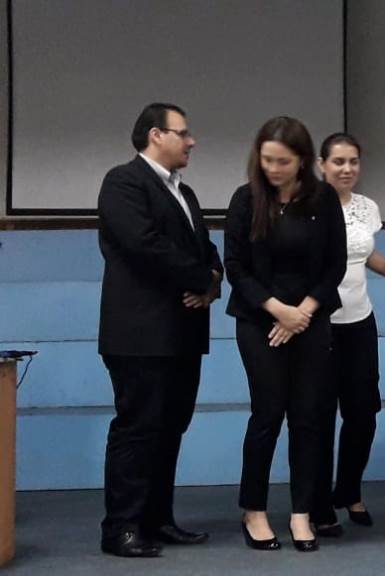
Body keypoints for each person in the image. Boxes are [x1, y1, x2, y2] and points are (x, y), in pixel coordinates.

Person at [97, 102, 223, 558]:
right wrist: (199, 279)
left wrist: (212, 282)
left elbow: (208, 250)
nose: (191, 142)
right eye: (182, 133)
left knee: (171, 428)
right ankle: (122, 528)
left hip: (182, 333)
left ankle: (157, 519)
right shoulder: (123, 182)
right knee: (138, 428)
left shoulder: (184, 194)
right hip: (140, 334)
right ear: (156, 135)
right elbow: (144, 246)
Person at [224, 116, 347, 552]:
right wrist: (278, 311)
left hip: (310, 321)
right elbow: (235, 267)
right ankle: (253, 509)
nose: (273, 168)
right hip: (260, 322)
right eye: (267, 159)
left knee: (309, 416)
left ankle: (301, 512)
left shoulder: (323, 198)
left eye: (283, 161)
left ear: (302, 162)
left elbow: (336, 264)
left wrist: (304, 313)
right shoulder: (245, 200)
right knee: (268, 413)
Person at [312, 134, 385, 537]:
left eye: (353, 162)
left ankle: (348, 490)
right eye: (338, 162)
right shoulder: (306, 205)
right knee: (318, 416)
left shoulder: (367, 208)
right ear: (321, 164)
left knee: (363, 413)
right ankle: (317, 504)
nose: (346, 169)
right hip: (317, 324)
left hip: (359, 323)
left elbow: (367, 256)